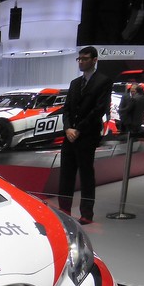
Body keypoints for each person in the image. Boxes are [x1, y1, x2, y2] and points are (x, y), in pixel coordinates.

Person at [57, 46, 112, 225]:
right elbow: (66, 109)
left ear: (94, 60)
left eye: (85, 59)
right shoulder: (74, 83)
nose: (81, 62)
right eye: (79, 59)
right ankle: (64, 210)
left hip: (87, 135)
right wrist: (68, 128)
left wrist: (78, 129)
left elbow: (99, 109)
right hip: (70, 135)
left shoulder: (103, 81)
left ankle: (86, 214)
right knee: (66, 174)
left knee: (86, 174)